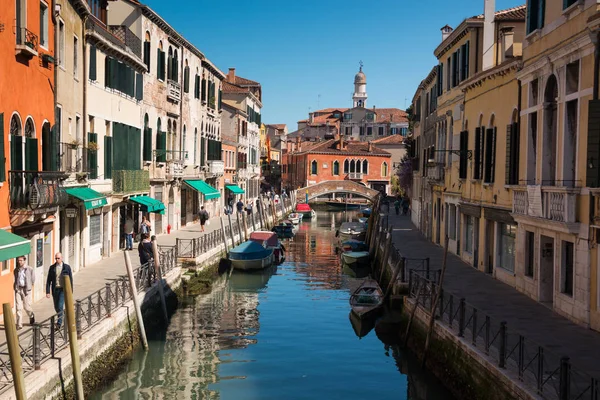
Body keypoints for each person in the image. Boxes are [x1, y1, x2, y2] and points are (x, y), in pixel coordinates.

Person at [45, 253, 73, 329]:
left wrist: (70, 291)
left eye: (58, 258)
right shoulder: (52, 268)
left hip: (63, 290)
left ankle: (59, 323)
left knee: (60, 305)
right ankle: (61, 315)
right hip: (55, 289)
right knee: (56, 306)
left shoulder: (67, 267)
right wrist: (47, 292)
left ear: (62, 258)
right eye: (56, 258)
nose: (57, 260)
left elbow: (70, 280)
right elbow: (48, 280)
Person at [14, 256, 35, 330]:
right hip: (18, 289)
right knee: (18, 307)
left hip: (26, 290)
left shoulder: (29, 269)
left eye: (21, 260)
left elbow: (33, 279)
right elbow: (16, 278)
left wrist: (29, 286)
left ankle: (31, 315)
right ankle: (19, 324)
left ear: (24, 260)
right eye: (18, 260)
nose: (19, 262)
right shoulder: (16, 270)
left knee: (26, 307)